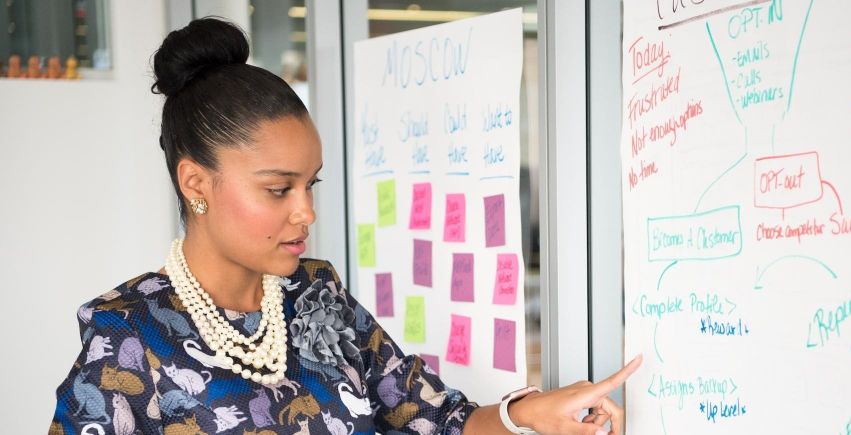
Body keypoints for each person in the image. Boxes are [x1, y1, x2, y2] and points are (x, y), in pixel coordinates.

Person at [49, 17, 641, 435]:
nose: (305, 211)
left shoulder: (317, 295)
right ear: (196, 183)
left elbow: (436, 418)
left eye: (311, 184)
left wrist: (527, 415)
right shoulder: (126, 336)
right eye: (278, 189)